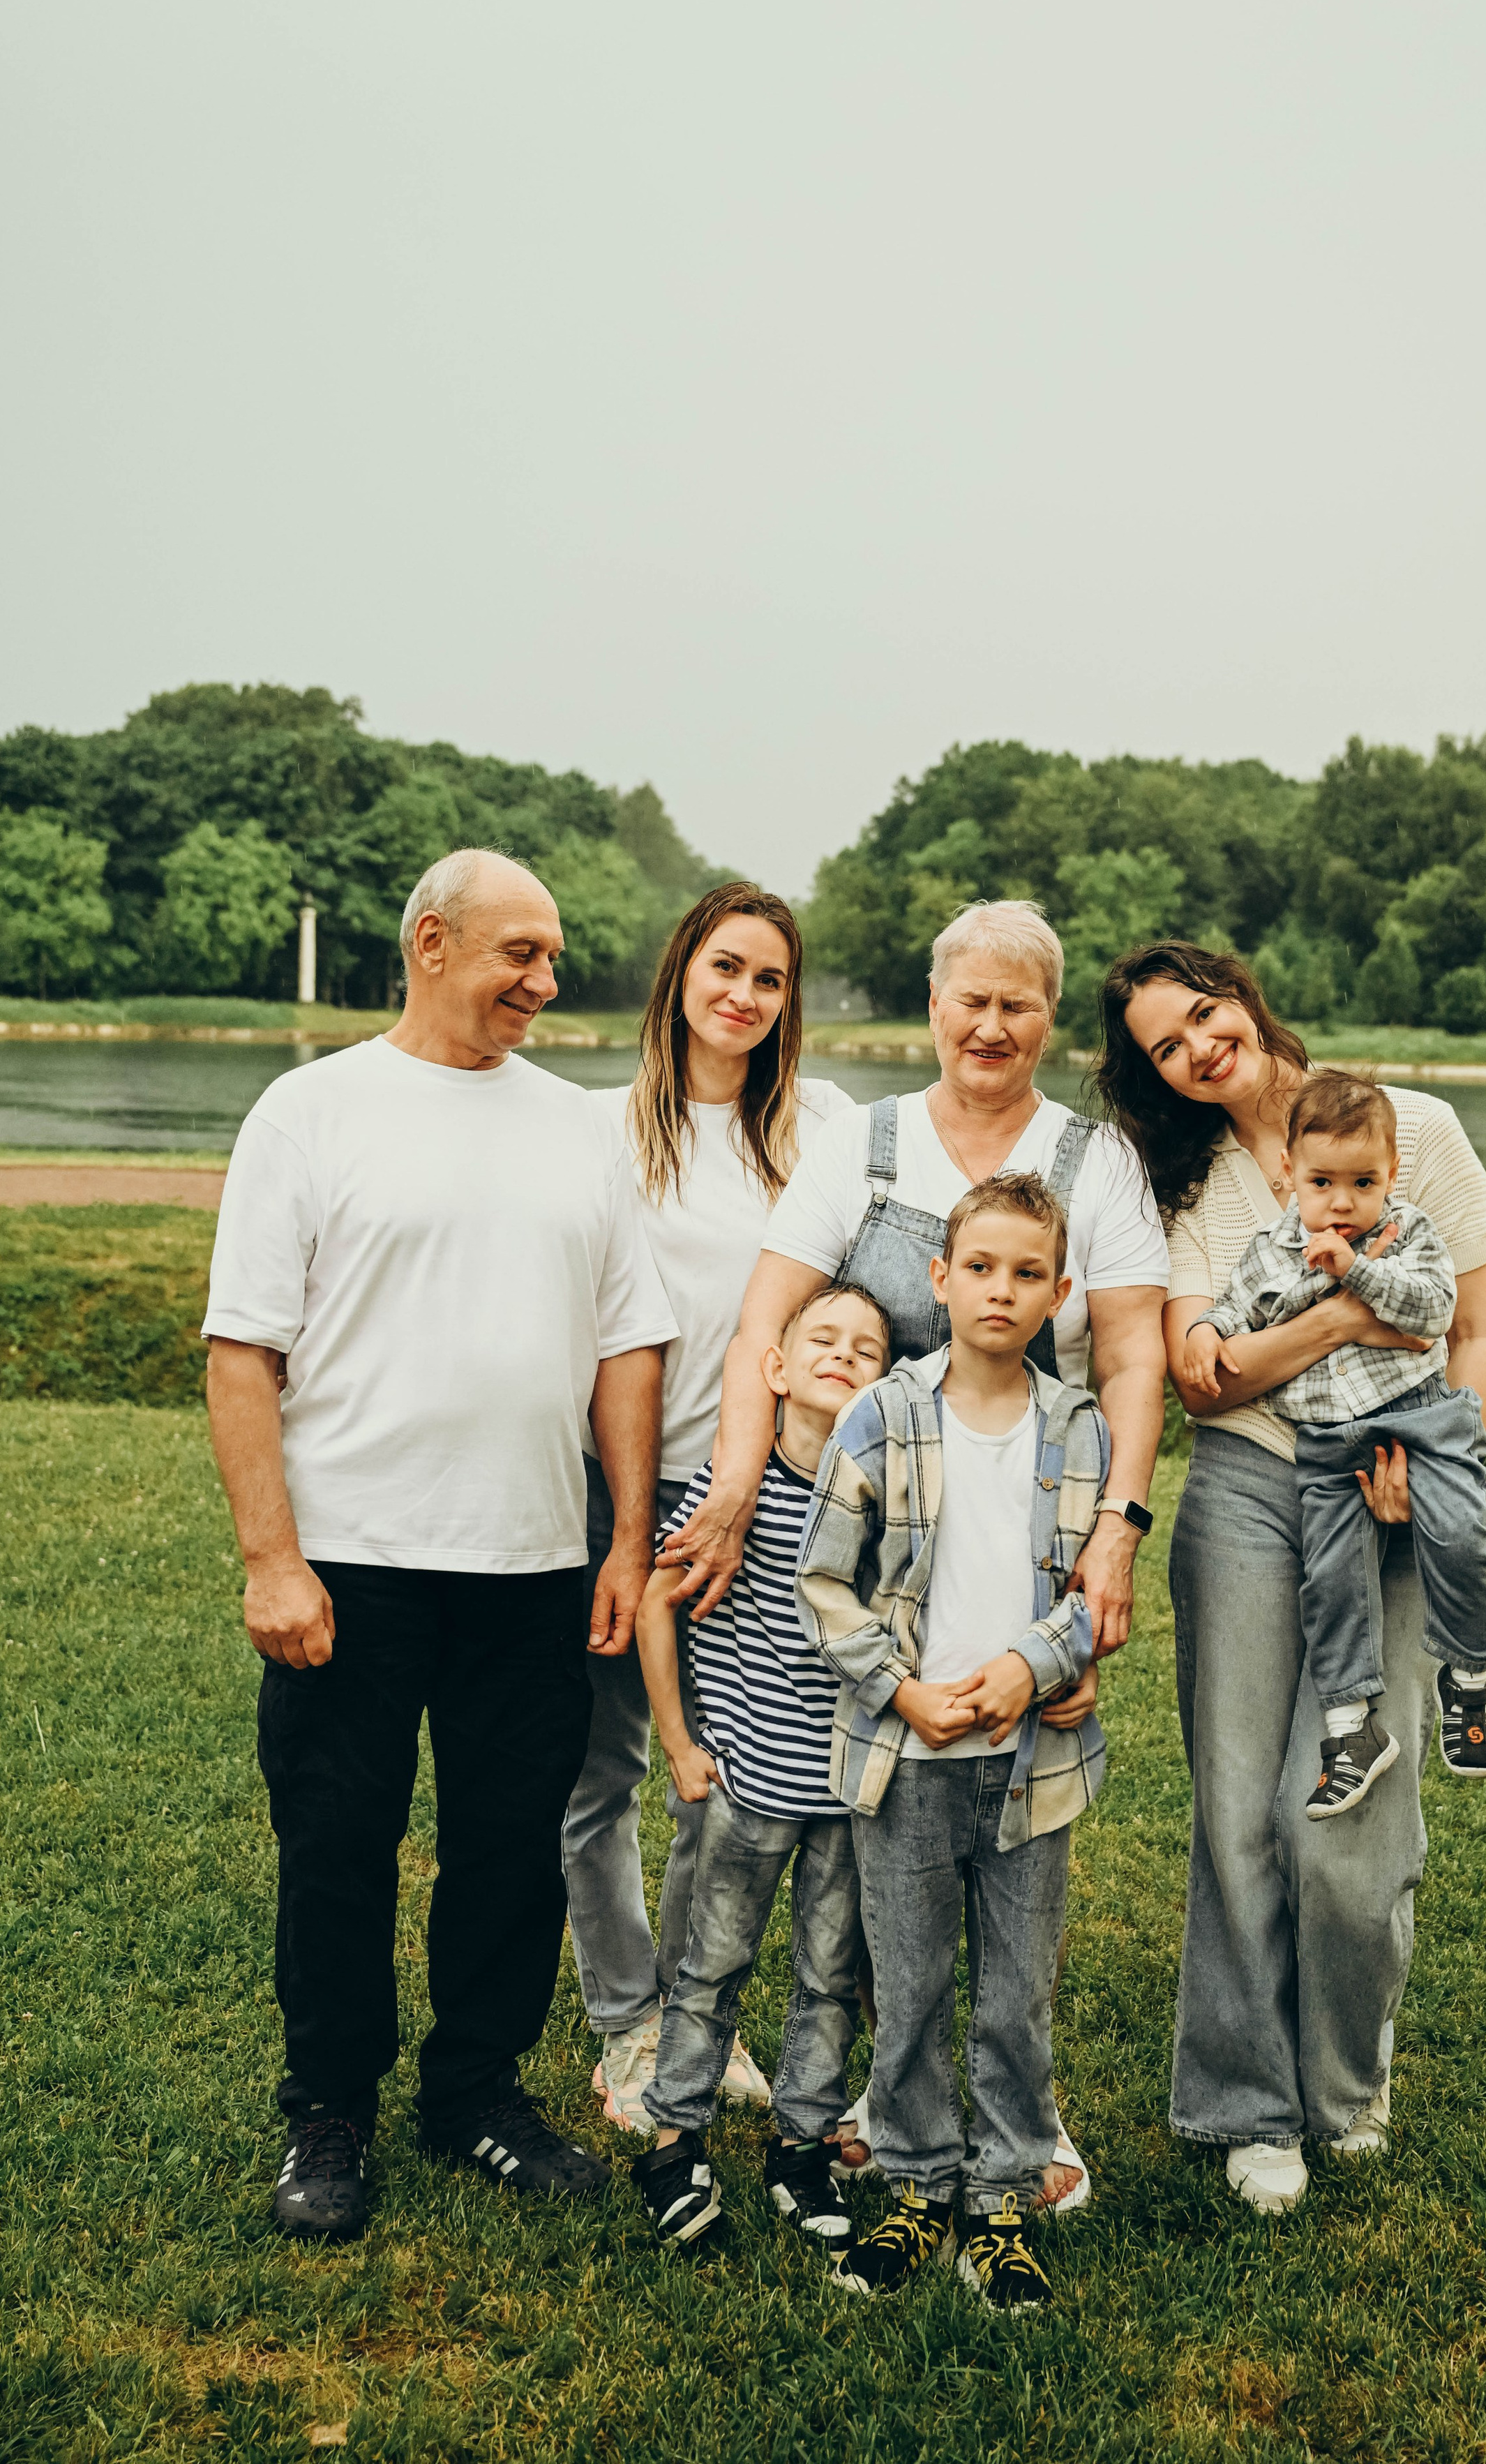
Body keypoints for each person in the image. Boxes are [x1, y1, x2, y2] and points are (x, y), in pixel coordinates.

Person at [660, 898, 1168, 2207]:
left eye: (1018, 1004)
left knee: (1014, 1855)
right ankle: (884, 2116)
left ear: (1050, 1019)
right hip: (873, 1553)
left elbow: (1129, 1359)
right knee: (877, 1847)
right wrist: (729, 1490)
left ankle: (1019, 2125)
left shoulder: (1095, 1160)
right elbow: (761, 1329)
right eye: (969, 999)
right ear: (932, 1002)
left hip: (1022, 1546)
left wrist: (1111, 1545)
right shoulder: (860, 1144)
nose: (990, 1026)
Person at [204, 849, 677, 2241]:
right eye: (518, 954)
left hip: (531, 1558)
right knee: (337, 1842)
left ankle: (475, 2091)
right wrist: (270, 1559)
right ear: (430, 941)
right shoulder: (312, 1110)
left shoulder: (582, 1127)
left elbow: (626, 1347)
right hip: (348, 1559)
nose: (543, 982)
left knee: (508, 1845)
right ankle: (329, 2112)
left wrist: (624, 1539)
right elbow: (243, 1355)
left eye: (551, 957)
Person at [1093, 940, 1486, 2217]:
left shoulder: (1413, 1126)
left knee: (1346, 1820)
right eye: (1165, 1044)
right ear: (1156, 1072)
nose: (1197, 1047)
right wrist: (1343, 1318)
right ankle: (1246, 2104)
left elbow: (1475, 1326)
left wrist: (1433, 1454)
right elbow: (1207, 1376)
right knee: (1237, 1806)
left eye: (1203, 1014)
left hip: (1388, 1488)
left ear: (1245, 997)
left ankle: (1347, 2086)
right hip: (1246, 1494)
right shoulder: (1189, 1182)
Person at [562, 883, 857, 2136]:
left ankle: (700, 2016)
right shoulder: (594, 1132)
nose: (744, 995)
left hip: (763, 1492)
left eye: (771, 979)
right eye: (726, 966)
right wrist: (627, 1515)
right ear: (682, 969)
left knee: (716, 1765)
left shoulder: (826, 1129)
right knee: (598, 1766)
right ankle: (628, 2023)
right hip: (613, 1485)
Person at [795, 1172, 1109, 2311]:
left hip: (1030, 1768)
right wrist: (900, 1691)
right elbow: (824, 1581)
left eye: (1029, 1273)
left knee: (1018, 1994)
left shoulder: (1079, 1427)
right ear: (941, 1278)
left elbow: (1091, 1597)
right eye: (981, 1267)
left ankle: (1006, 2201)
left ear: (1058, 1294)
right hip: (908, 1762)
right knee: (915, 1984)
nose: (1001, 1289)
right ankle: (920, 2183)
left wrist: (1049, 1668)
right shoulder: (882, 1413)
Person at [626, 1283, 892, 2254]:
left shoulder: (885, 1501)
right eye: (822, 1337)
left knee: (830, 1976)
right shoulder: (728, 1493)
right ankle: (673, 2139)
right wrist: (679, 1739)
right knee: (710, 1967)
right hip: (744, 1785)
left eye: (867, 1347)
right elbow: (659, 1601)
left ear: (886, 1381)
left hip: (851, 1795)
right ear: (773, 1368)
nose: (843, 1354)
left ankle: (802, 2143)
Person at [1185, 1068, 1486, 1821]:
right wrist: (1205, 1331)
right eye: (1322, 1181)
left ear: (1389, 1174)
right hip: (1323, 1443)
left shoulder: (1407, 1231)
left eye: (1362, 1181)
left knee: (1459, 1535)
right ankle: (1350, 1731)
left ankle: (1467, 1674)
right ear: (1289, 1175)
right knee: (1333, 1583)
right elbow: (1236, 1309)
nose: (1341, 1199)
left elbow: (1433, 1309)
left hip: (1423, 1419)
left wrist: (1355, 1270)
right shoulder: (1270, 1250)